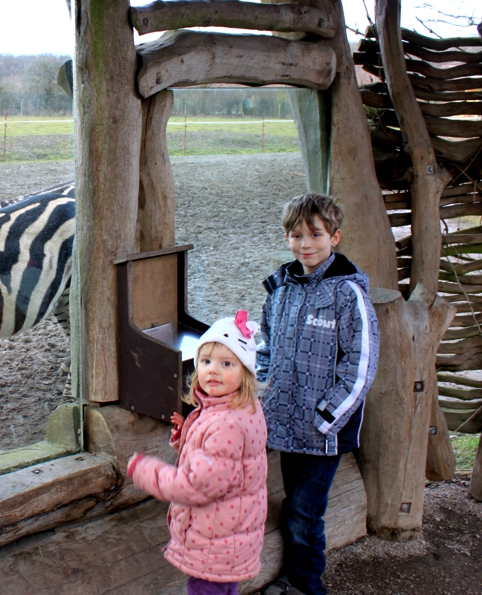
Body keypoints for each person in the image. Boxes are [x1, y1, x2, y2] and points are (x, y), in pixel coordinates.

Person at [257, 193, 380, 595]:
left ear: (335, 237)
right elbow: (266, 344)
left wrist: (327, 417)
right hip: (285, 421)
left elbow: (360, 366)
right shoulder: (280, 288)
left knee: (305, 514)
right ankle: (294, 579)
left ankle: (306, 586)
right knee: (294, 504)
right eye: (295, 235)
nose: (304, 243)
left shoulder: (347, 295)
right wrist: (264, 389)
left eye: (315, 234)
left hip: (322, 430)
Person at [127, 311, 268, 595]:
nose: (212, 370)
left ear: (245, 372)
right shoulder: (241, 408)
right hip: (231, 539)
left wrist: (145, 471)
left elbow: (196, 485)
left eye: (226, 363)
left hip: (214, 541)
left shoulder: (224, 423)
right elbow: (224, 463)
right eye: (206, 361)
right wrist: (189, 436)